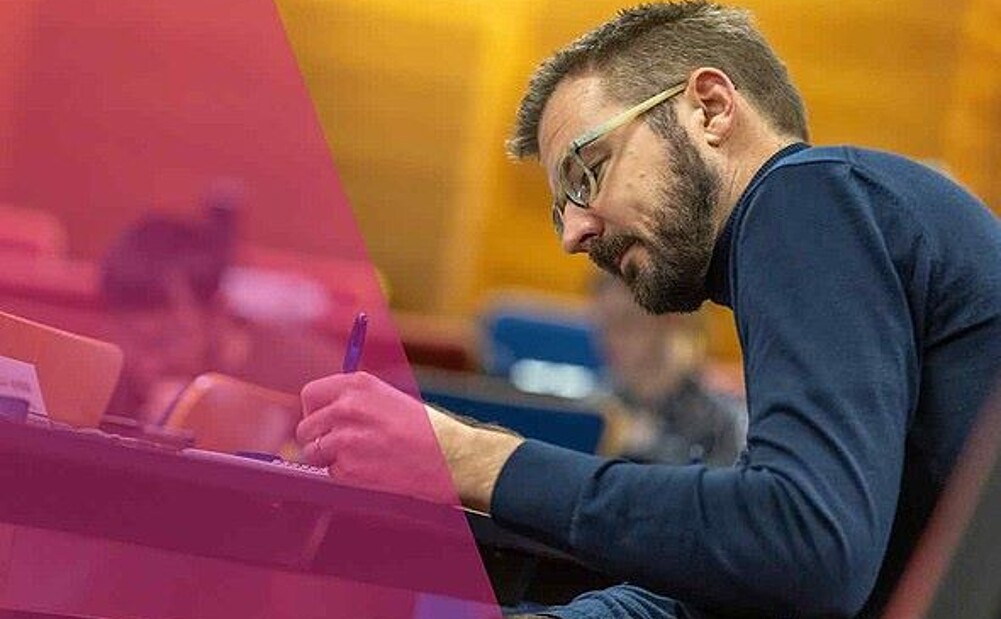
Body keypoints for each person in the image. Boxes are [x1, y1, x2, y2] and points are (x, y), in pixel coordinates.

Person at [296, 2, 1001, 617]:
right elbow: (765, 573)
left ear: (709, 108)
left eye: (585, 171)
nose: (574, 233)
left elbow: (804, 548)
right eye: (558, 207)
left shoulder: (805, 198)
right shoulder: (819, 229)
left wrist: (470, 457)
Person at [100, 197, 337, 423]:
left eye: (166, 341)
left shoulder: (309, 381)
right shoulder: (112, 378)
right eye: (130, 339)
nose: (147, 365)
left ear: (218, 312)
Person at [590, 272, 745, 467]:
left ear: (670, 318)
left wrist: (651, 446)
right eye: (603, 323)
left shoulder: (722, 420)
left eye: (627, 321)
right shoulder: (599, 402)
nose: (610, 337)